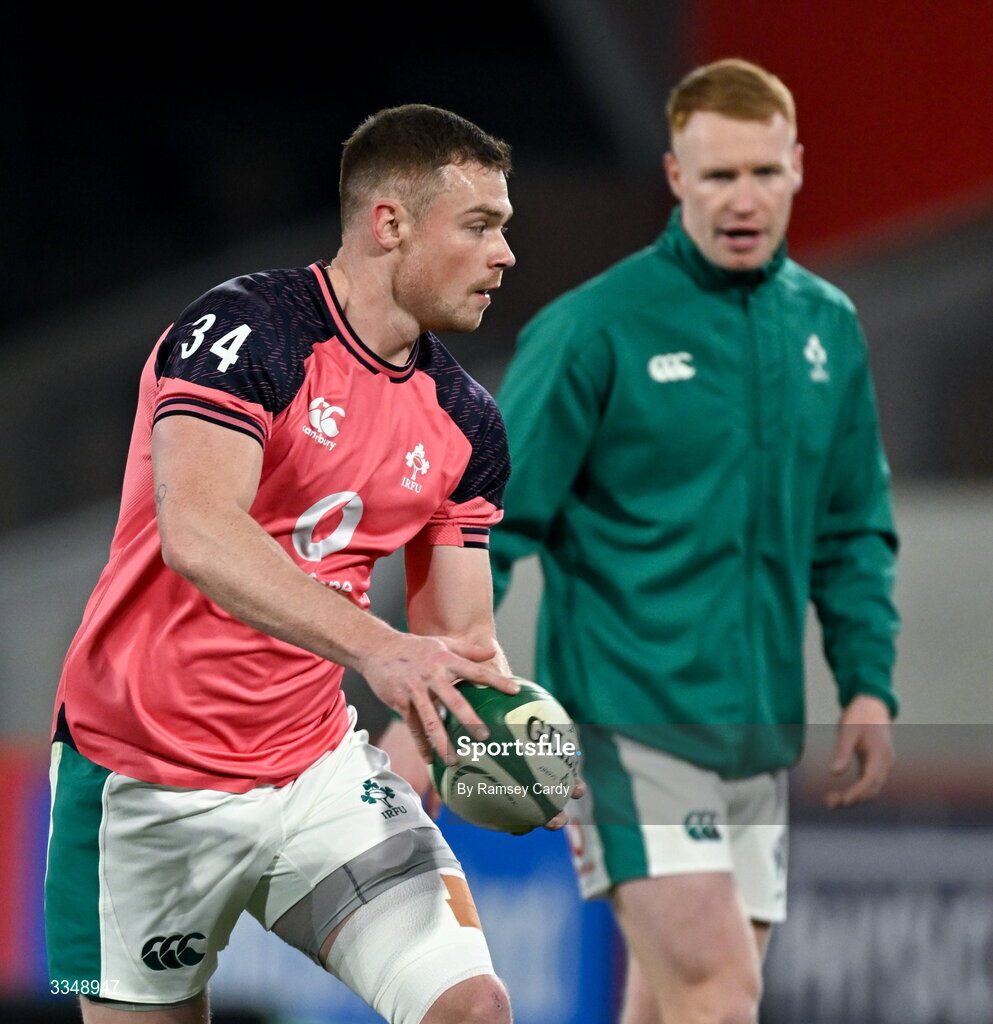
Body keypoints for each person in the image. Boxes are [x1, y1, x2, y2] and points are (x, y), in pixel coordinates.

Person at [44, 102, 561, 1024]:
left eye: (506, 229)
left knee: (473, 1008)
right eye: (480, 225)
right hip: (139, 779)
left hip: (316, 772)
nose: (505, 253)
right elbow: (197, 531)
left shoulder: (466, 420)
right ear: (388, 222)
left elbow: (458, 648)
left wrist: (493, 748)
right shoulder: (247, 331)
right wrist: (375, 647)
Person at [488, 59, 900, 1024]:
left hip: (757, 731)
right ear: (675, 177)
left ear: (797, 168)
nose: (743, 198)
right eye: (718, 176)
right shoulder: (593, 329)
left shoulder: (828, 330)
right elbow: (483, 518)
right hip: (625, 722)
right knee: (717, 990)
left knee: (671, 1002)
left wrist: (867, 680)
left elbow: (850, 530)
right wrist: (438, 679)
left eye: (762, 172)